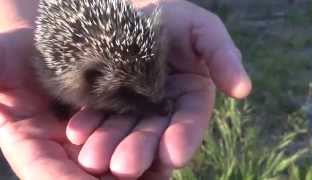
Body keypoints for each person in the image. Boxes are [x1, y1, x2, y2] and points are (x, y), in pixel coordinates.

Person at [0, 0, 252, 179]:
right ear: (90, 80)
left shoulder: (143, 54)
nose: (158, 100)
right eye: (132, 94)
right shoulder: (68, 77)